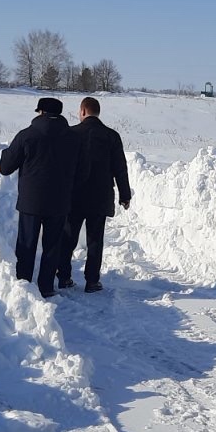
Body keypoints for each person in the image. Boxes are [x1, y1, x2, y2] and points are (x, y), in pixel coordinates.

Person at [0, 97, 83, 298]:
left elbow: (6, 167)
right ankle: (46, 287)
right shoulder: (73, 138)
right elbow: (83, 170)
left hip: (31, 201)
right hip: (60, 201)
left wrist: (2, 163)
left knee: (27, 244)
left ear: (41, 112)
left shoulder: (26, 136)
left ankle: (24, 285)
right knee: (52, 245)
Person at [64, 97, 132, 293]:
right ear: (97, 112)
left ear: (83, 111)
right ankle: (92, 281)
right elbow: (120, 168)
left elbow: (64, 166)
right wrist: (124, 195)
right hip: (100, 196)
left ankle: (64, 276)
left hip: (74, 196)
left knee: (68, 236)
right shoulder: (111, 136)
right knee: (95, 239)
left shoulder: (72, 134)